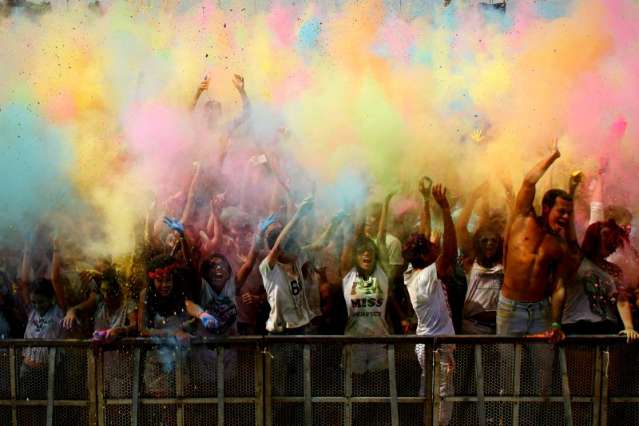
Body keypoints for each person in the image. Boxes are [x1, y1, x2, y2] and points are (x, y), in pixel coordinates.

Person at [499, 142, 575, 341]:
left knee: (542, 368)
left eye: (569, 213)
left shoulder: (560, 245)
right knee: (509, 365)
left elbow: (559, 287)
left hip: (541, 311)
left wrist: (556, 323)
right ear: (547, 207)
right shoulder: (524, 217)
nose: (566, 218)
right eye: (562, 211)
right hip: (510, 307)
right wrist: (553, 156)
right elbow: (528, 183)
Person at [402, 184, 457, 426]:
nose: (437, 247)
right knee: (442, 400)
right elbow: (451, 253)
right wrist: (445, 209)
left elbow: (425, 237)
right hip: (437, 347)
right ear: (424, 257)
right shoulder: (425, 277)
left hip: (430, 344)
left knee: (430, 396)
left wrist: (426, 202)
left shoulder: (411, 272)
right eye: (431, 248)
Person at [562, 220, 638, 341]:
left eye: (616, 242)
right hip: (575, 325)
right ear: (595, 237)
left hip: (607, 326)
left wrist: (629, 327)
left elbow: (622, 299)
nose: (613, 245)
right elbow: (570, 239)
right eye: (609, 238)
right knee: (578, 360)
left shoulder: (614, 270)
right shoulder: (576, 260)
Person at [259, 196, 317, 334]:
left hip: (301, 328)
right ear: (282, 251)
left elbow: (320, 244)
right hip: (280, 332)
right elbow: (278, 246)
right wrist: (298, 215)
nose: (297, 249)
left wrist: (336, 224)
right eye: (292, 246)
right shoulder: (268, 268)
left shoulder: (296, 260)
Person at [17, 236, 66, 400]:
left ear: (51, 299)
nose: (37, 305)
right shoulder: (31, 311)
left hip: (50, 372)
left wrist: (57, 249)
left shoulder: (59, 312)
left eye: (41, 302)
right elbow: (23, 282)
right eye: (34, 302)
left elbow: (55, 279)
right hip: (28, 370)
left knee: (53, 412)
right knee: (29, 412)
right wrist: (27, 250)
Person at [339, 224, 391, 374]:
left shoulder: (382, 274)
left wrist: (386, 204)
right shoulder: (348, 274)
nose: (366, 254)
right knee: (354, 387)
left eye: (370, 251)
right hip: (354, 342)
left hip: (379, 341)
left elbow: (381, 236)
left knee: (377, 385)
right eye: (362, 251)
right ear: (355, 256)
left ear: (376, 255)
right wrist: (358, 215)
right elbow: (349, 244)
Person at [461, 226, 504, 335]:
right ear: (477, 244)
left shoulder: (502, 271)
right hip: (471, 329)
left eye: (494, 241)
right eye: (484, 241)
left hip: (497, 331)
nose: (490, 243)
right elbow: (461, 227)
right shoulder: (468, 266)